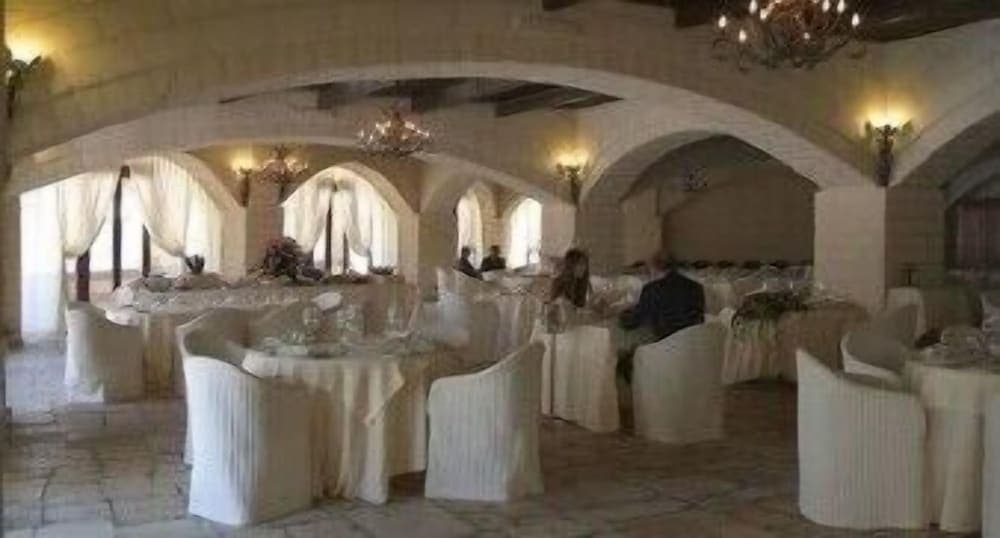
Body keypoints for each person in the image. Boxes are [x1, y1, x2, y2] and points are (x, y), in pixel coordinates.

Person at [617, 254, 705, 381]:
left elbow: (632, 322)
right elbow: (699, 318)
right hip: (691, 347)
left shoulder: (652, 289)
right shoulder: (696, 287)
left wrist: (621, 313)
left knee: (623, 356)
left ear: (654, 268)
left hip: (664, 348)